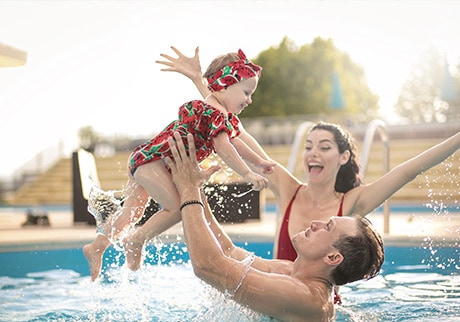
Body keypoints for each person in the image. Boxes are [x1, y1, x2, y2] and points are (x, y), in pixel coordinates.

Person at [156, 46, 460, 303]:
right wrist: (204, 82)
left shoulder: (351, 207)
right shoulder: (289, 189)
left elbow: (407, 171)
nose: (313, 153)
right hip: (268, 294)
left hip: (295, 304)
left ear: (343, 157)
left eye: (324, 147)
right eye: (309, 146)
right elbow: (235, 130)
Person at [83, 49, 275, 281]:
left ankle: (97, 246)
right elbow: (225, 148)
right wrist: (247, 173)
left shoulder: (220, 114)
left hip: (147, 160)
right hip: (154, 162)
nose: (249, 99)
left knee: (132, 212)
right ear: (225, 85)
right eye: (246, 92)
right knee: (177, 209)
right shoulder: (212, 112)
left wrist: (260, 162)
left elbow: (235, 142)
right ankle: (135, 240)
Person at [164, 131, 385, 322]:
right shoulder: (290, 271)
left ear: (333, 257)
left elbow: (208, 267)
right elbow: (228, 253)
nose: (315, 223)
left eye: (327, 227)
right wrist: (195, 186)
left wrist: (188, 189)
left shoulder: (303, 297)